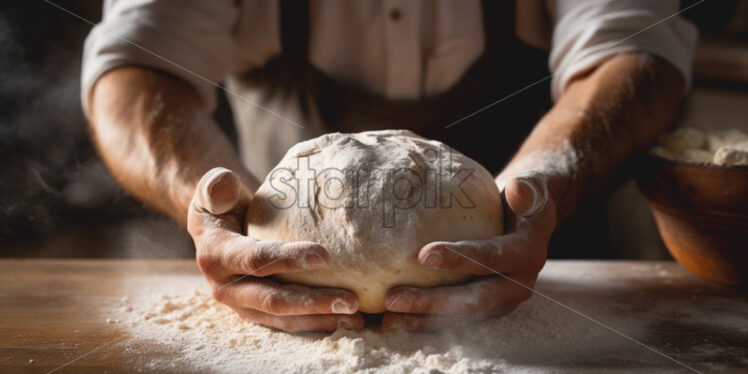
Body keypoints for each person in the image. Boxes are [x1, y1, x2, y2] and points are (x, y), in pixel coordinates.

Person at [82, 0, 697, 332]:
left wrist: (535, 191)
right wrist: (215, 206)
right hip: (282, 268)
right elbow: (138, 65)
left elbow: (638, 51)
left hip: (559, 277)